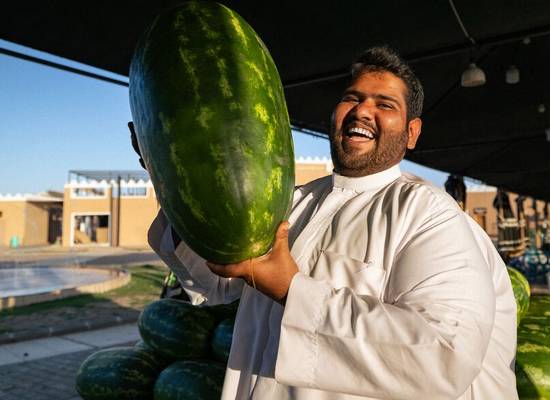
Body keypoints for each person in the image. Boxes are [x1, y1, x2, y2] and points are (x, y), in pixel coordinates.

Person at [135, 46, 518, 399]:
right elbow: (216, 282)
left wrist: (290, 289)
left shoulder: (428, 213)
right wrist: (171, 179)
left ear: (412, 133)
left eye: (384, 104)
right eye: (352, 98)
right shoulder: (291, 201)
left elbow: (444, 355)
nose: (362, 110)